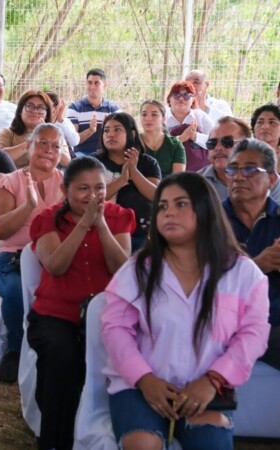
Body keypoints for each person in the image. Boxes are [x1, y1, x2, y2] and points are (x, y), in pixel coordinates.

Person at [102, 171, 270, 450]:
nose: (169, 213)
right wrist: (144, 379)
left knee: (211, 444)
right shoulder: (138, 269)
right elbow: (114, 329)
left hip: (207, 388)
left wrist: (213, 380)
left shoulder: (242, 272)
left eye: (181, 204)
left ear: (206, 210)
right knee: (143, 444)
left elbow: (254, 334)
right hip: (140, 386)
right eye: (162, 206)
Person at [28, 156, 133, 450]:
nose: (93, 196)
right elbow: (55, 265)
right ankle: (55, 441)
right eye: (83, 189)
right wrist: (83, 225)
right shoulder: (47, 219)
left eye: (99, 188)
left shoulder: (118, 216)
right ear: (65, 190)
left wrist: (101, 226)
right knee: (63, 355)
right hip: (56, 313)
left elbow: (122, 269)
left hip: (107, 314)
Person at [0, 123, 65, 383]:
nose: (48, 150)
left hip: (53, 259)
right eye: (42, 143)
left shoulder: (67, 184)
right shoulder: (10, 181)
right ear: (29, 146)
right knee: (15, 289)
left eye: (55, 146)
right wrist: (28, 207)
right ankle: (16, 349)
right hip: (13, 260)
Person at [221, 139, 280, 371]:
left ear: (272, 179)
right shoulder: (210, 222)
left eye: (249, 169)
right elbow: (198, 282)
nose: (238, 177)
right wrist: (257, 266)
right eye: (233, 169)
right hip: (225, 324)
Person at [92, 112, 161, 250]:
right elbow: (92, 198)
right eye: (106, 130)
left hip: (142, 233)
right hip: (104, 229)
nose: (110, 135)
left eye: (117, 129)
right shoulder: (94, 162)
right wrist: (122, 179)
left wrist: (133, 171)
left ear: (132, 134)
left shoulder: (147, 162)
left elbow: (156, 196)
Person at [0, 90, 70, 168]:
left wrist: (47, 137)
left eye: (41, 108)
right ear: (20, 111)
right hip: (14, 174)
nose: (35, 111)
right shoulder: (8, 133)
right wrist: (30, 142)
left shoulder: (55, 134)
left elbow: (67, 161)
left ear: (46, 114)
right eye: (30, 106)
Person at [67, 69, 121, 156]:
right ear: (86, 83)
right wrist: (91, 130)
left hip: (106, 155)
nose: (92, 86)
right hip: (81, 155)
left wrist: (107, 129)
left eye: (96, 83)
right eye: (90, 83)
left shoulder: (114, 109)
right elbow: (73, 141)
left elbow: (119, 138)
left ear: (105, 85)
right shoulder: (74, 108)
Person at [198, 116, 254, 201]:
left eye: (227, 142)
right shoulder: (194, 184)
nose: (218, 148)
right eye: (212, 143)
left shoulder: (266, 181)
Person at [165, 80, 215, 172]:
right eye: (176, 95)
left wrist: (195, 136)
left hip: (201, 173)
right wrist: (182, 138)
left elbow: (215, 142)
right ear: (169, 99)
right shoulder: (162, 118)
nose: (181, 98)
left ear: (193, 99)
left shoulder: (200, 117)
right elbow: (157, 144)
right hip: (169, 172)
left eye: (187, 95)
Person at [139, 100, 185, 177]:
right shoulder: (133, 142)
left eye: (154, 114)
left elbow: (178, 180)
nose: (148, 118)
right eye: (144, 114)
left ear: (164, 119)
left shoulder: (175, 145)